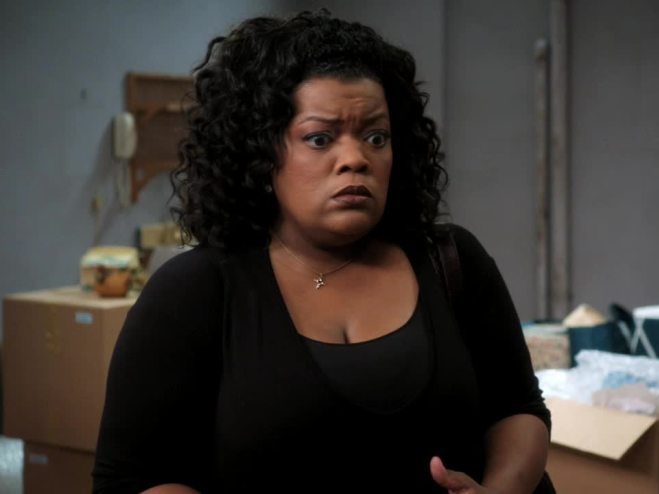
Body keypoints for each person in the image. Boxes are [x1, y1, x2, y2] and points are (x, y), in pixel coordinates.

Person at [93, 10, 554, 494]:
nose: (355, 158)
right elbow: (133, 478)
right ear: (262, 153)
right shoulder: (195, 292)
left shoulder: (453, 261)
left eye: (376, 137)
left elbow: (518, 408)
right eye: (319, 138)